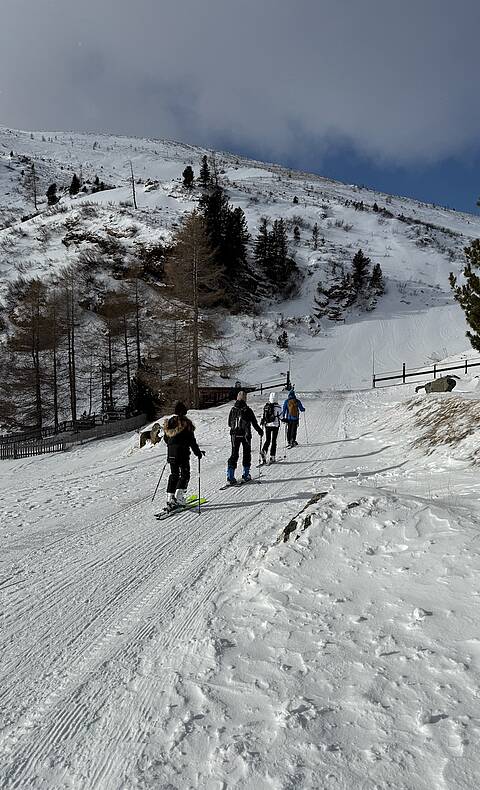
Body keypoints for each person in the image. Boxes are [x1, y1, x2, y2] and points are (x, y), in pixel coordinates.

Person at [163, 401, 204, 511]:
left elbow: (166, 438)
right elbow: (192, 441)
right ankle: (179, 498)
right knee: (185, 474)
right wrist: (198, 453)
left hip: (171, 453)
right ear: (185, 412)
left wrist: (172, 446)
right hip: (182, 453)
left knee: (174, 474)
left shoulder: (170, 422)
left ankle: (170, 498)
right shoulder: (186, 423)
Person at [227, 391, 263, 484]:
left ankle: (230, 476)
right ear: (245, 399)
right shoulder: (248, 410)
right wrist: (260, 431)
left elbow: (229, 423)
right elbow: (254, 423)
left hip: (234, 435)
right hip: (246, 435)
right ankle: (246, 475)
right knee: (246, 454)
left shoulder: (233, 409)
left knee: (234, 454)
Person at [260, 392, 282, 464]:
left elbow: (263, 416)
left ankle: (264, 451)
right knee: (274, 441)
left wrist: (262, 422)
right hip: (275, 425)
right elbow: (281, 417)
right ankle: (272, 456)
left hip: (267, 425)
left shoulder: (266, 406)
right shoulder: (278, 407)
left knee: (268, 440)